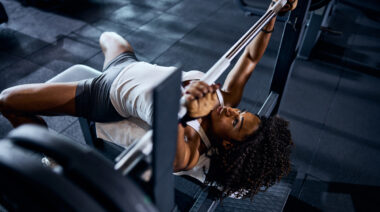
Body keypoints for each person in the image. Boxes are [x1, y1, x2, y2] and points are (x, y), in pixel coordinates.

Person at [0, 0, 297, 199]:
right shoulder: (222, 98)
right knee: (108, 35)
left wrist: (188, 112)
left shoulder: (189, 152)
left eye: (236, 121)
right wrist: (272, 14)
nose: (232, 110)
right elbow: (249, 59)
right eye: (240, 111)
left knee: (7, 99)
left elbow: (168, 137)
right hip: (129, 65)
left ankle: (50, 159)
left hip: (104, 93)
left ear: (229, 143)